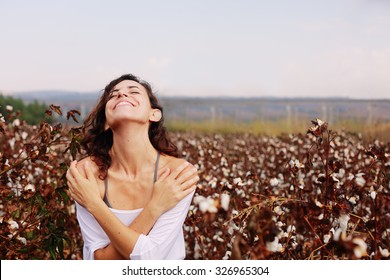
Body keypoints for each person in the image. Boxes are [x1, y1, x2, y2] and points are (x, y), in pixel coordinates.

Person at [66, 74, 199, 260]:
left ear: (154, 114)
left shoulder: (179, 173)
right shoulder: (85, 173)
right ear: (105, 120)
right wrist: (156, 207)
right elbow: (100, 262)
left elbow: (151, 259)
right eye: (113, 95)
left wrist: (94, 203)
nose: (122, 96)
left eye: (133, 92)